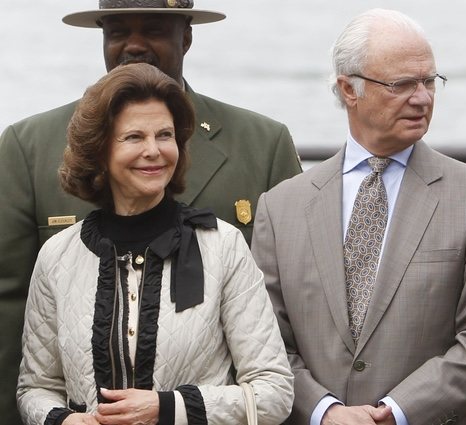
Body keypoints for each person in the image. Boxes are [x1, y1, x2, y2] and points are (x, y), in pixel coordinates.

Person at [0, 1, 302, 420]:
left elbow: (288, 328)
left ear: (187, 36)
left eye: (155, 29)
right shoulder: (28, 149)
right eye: (118, 30)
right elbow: (20, 342)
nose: (135, 45)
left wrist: (169, 409)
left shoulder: (261, 149)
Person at [251, 8, 466, 425]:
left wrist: (395, 412)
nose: (423, 97)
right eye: (402, 84)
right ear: (348, 89)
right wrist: (324, 411)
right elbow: (264, 341)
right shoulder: (281, 206)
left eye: (430, 81)